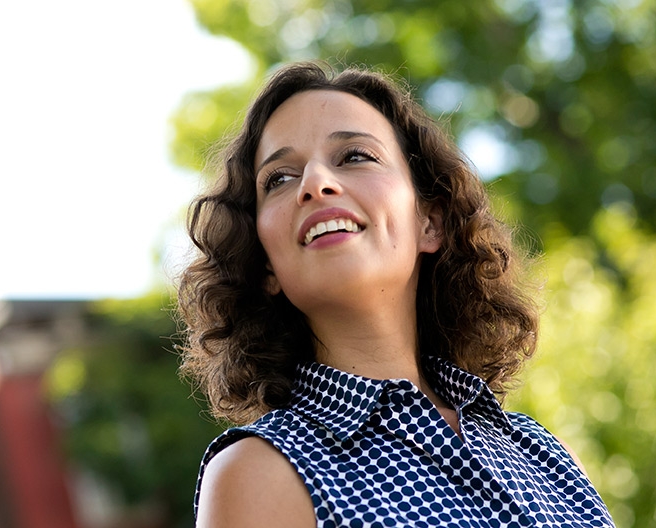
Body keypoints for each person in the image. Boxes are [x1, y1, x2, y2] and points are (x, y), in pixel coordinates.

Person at [176, 62, 614, 527]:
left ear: (430, 221)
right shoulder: (260, 473)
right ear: (266, 266)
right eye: (279, 179)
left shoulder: (548, 456)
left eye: (354, 156)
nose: (314, 184)